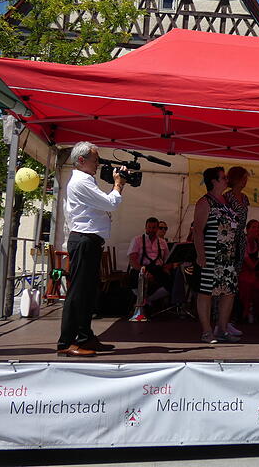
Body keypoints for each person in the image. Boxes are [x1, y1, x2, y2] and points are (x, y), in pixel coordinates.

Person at [57, 141, 126, 357]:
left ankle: (85, 337)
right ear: (81, 160)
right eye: (95, 160)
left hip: (89, 240)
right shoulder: (81, 182)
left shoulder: (85, 180)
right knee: (78, 292)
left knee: (87, 293)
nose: (97, 163)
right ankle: (67, 342)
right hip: (84, 240)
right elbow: (110, 203)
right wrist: (118, 184)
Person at [193, 166, 240, 344]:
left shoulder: (226, 201)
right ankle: (207, 331)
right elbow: (198, 230)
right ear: (214, 181)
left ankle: (222, 328)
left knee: (229, 292)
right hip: (211, 254)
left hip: (228, 256)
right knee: (206, 292)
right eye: (223, 178)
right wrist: (201, 254)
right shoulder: (205, 202)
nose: (227, 180)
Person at [127, 216, 172, 318]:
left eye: (154, 228)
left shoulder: (162, 242)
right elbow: (132, 260)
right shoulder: (137, 240)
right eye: (149, 227)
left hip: (157, 269)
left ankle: (145, 301)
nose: (151, 230)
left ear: (157, 228)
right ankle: (144, 305)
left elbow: (168, 260)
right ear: (145, 228)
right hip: (141, 268)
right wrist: (143, 271)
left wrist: (167, 268)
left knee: (170, 282)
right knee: (134, 279)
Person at [224, 165, 251, 337]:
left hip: (240, 238)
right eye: (245, 177)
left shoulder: (245, 198)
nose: (246, 181)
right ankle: (223, 321)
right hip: (229, 239)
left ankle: (230, 320)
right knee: (227, 280)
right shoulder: (227, 197)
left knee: (235, 281)